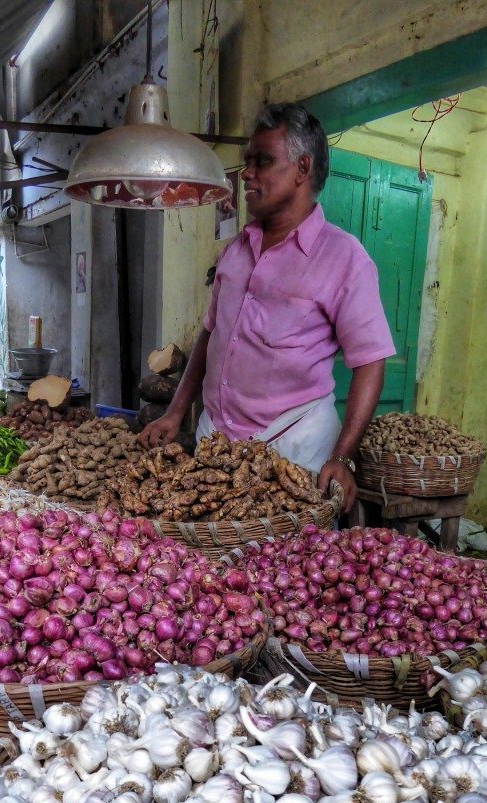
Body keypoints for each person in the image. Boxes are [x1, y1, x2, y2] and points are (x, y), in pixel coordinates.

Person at [138, 103, 397, 511]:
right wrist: (176, 412)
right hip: (216, 439)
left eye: (263, 161)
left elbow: (371, 362)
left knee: (279, 570)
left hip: (293, 445)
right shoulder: (236, 251)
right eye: (247, 162)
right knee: (213, 567)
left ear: (302, 168)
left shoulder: (343, 258)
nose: (247, 174)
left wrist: (343, 455)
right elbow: (211, 334)